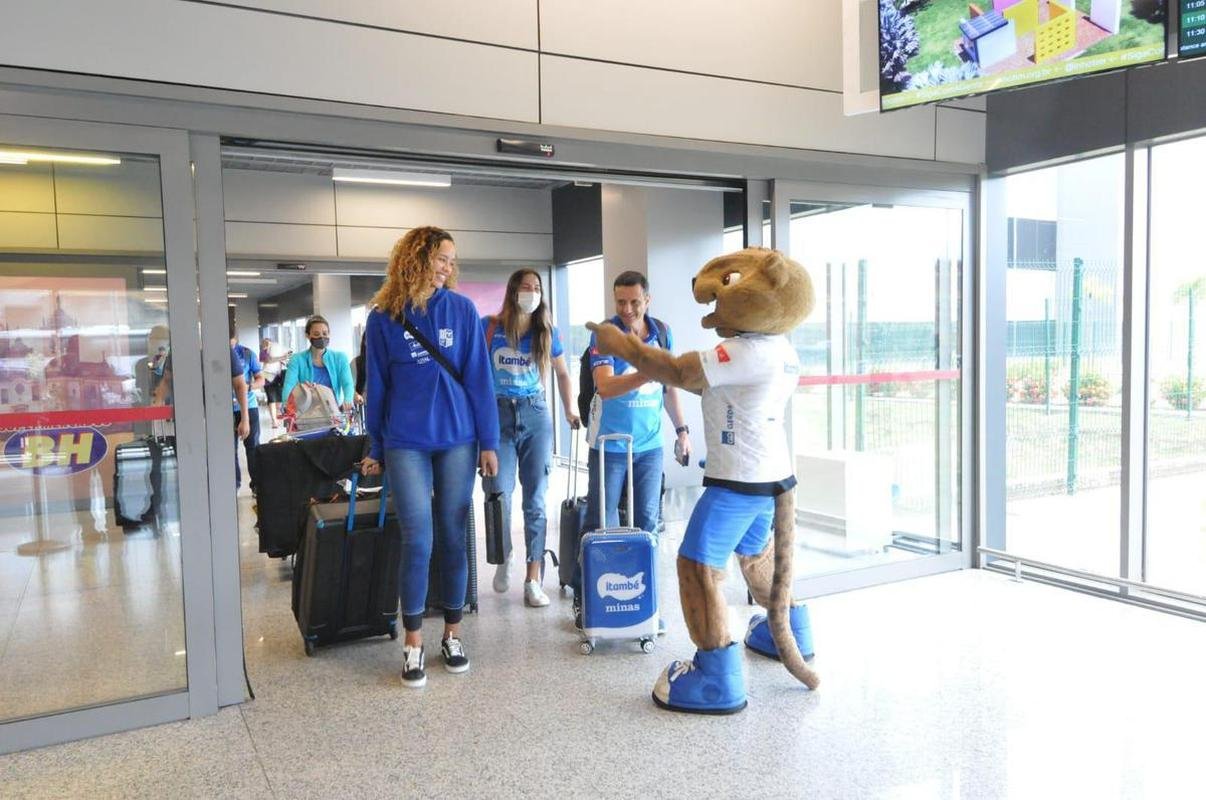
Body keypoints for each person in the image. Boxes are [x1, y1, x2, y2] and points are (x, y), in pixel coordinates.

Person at [360, 226, 499, 689]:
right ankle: (414, 643)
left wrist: (489, 443)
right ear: (416, 258)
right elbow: (376, 387)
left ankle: (453, 635)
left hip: (458, 439)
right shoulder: (383, 317)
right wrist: (374, 447)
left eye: (452, 260)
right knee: (418, 539)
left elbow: (480, 380)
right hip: (406, 443)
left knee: (453, 536)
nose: (448, 267)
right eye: (441, 258)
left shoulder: (462, 311)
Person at [573, 270, 693, 621]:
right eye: (621, 302)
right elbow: (605, 387)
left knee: (648, 525)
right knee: (601, 525)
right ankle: (589, 600)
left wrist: (682, 429)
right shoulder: (606, 336)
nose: (627, 309)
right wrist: (648, 371)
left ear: (647, 300)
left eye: (634, 302)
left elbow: (670, 389)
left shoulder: (663, 333)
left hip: (649, 447)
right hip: (609, 446)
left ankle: (644, 601)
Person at [482, 269, 581, 608]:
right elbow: (475, 376)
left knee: (536, 500)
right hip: (498, 415)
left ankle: (533, 577)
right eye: (526, 287)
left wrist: (570, 410)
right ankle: (504, 555)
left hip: (535, 413)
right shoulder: (490, 326)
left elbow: (563, 373)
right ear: (512, 291)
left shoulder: (545, 332)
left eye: (537, 287)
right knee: (498, 492)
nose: (532, 292)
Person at [282, 315, 356, 413]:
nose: (321, 337)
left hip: (334, 412)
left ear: (329, 334)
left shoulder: (340, 358)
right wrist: (286, 404)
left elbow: (347, 384)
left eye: (325, 333)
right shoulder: (297, 360)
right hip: (307, 413)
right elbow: (289, 385)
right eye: (316, 334)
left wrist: (348, 399)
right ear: (308, 335)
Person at [231, 327, 264, 491]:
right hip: (225, 409)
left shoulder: (247, 353)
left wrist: (249, 386)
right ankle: (233, 485)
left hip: (248, 407)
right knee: (230, 450)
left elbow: (261, 379)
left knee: (253, 448)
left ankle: (257, 485)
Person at [259, 337, 290, 426]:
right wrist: (283, 357)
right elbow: (269, 360)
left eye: (270, 343)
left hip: (278, 378)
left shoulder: (277, 353)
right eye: (266, 343)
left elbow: (286, 361)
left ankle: (277, 415)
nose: (268, 345)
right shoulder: (263, 352)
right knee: (272, 399)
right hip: (268, 378)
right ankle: (274, 420)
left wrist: (285, 358)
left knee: (279, 401)